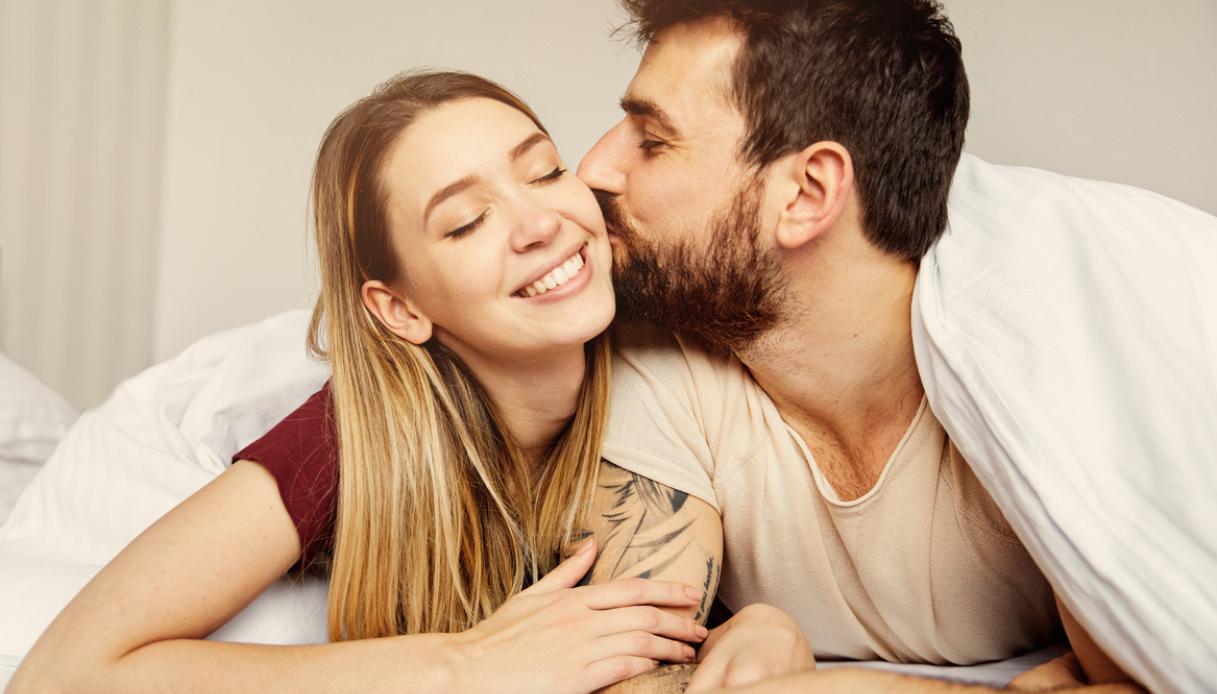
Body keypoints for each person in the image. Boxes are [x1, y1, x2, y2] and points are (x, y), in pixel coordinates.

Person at [9, 70, 722, 694]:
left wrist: (755, 627)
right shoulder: (346, 442)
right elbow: (61, 676)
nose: (540, 223)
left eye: (544, 172)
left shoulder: (688, 374)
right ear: (400, 309)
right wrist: (464, 665)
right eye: (467, 222)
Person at [575, 0, 1215, 691]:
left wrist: (852, 686)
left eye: (652, 139)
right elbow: (627, 677)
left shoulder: (1040, 353)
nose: (592, 169)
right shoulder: (662, 338)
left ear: (807, 193)